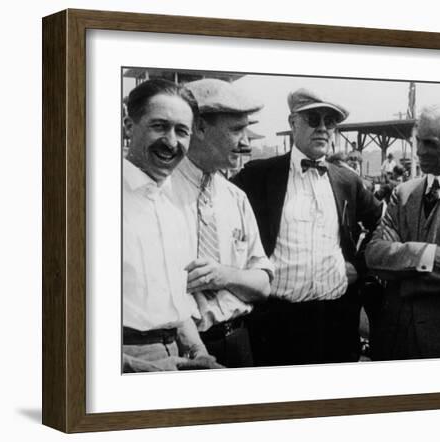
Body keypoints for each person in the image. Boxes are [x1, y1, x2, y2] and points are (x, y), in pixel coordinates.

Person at [232, 88, 382, 366]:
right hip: (277, 322)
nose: (323, 129)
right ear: (293, 123)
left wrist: (360, 265)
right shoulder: (259, 175)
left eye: (330, 121)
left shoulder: (346, 181)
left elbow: (382, 223)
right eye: (314, 119)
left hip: (337, 318)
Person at [167, 79, 273, 368]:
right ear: (199, 128)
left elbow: (263, 284)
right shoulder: (159, 193)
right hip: (181, 350)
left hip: (239, 342)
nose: (246, 142)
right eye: (236, 130)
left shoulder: (235, 197)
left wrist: (224, 276)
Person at [122, 79, 220, 372]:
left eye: (182, 131)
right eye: (159, 126)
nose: (171, 141)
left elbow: (174, 304)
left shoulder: (173, 207)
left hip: (176, 353)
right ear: (129, 126)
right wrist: (126, 365)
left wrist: (201, 354)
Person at [365, 106, 440, 360]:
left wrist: (402, 263)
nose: (419, 151)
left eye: (430, 143)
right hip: (389, 336)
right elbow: (374, 254)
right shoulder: (403, 193)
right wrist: (429, 258)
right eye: (417, 141)